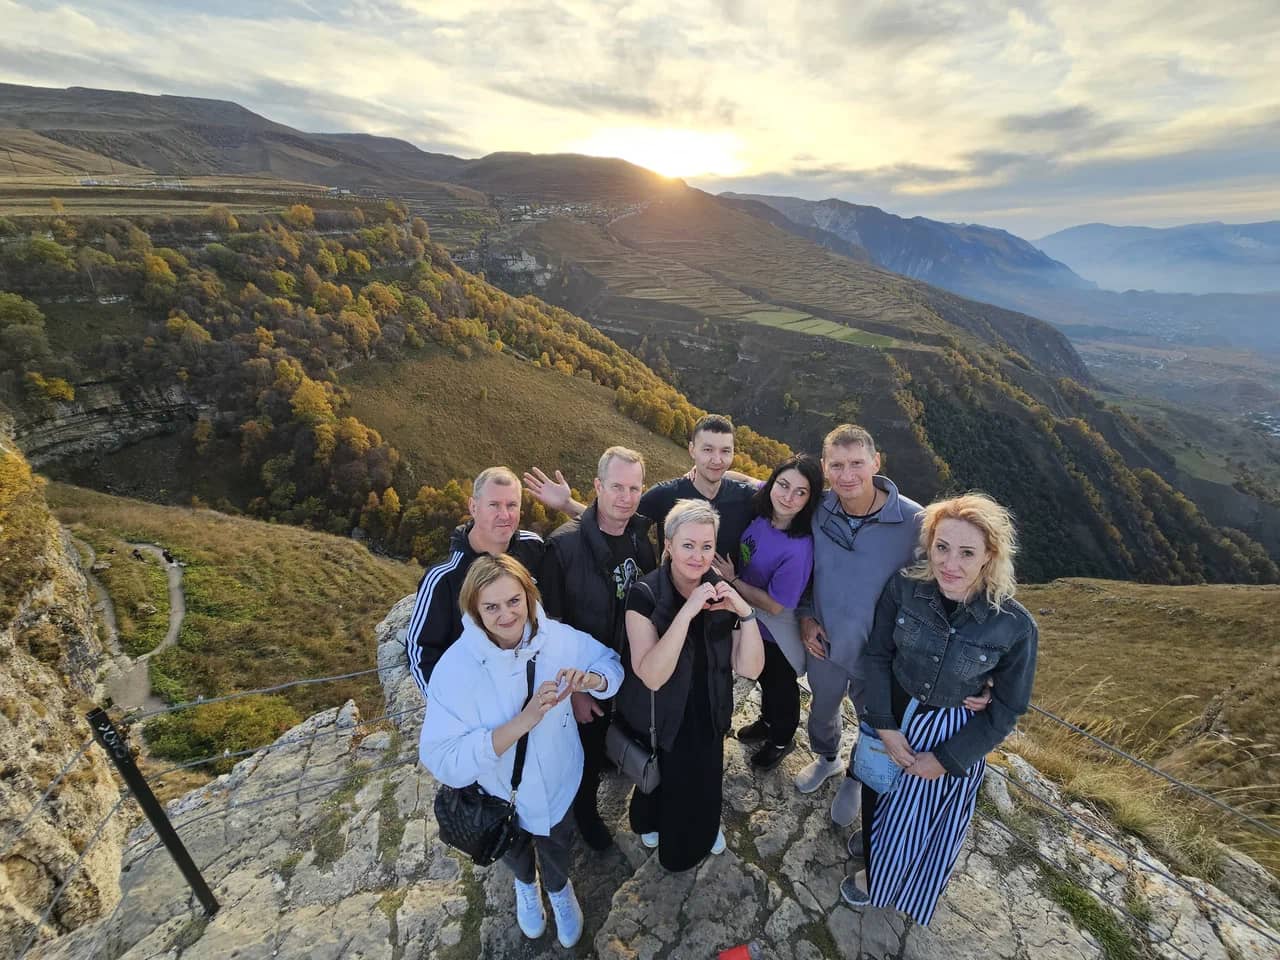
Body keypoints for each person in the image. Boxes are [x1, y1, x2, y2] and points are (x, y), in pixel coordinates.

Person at [841, 493, 1037, 925]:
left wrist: (947, 759)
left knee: (916, 815)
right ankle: (875, 849)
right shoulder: (905, 588)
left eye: (967, 552)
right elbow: (878, 656)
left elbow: (1008, 707)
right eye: (942, 547)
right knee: (877, 788)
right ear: (928, 545)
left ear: (989, 556)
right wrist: (884, 725)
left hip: (949, 731)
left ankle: (881, 877)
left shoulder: (1013, 625)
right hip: (893, 711)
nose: (950, 564)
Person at [419, 554, 624, 948]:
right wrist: (521, 722)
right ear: (475, 610)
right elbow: (443, 758)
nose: (506, 615)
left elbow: (610, 663)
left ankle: (559, 889)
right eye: (491, 607)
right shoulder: (456, 669)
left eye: (514, 601)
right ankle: (526, 885)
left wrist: (591, 681)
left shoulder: (557, 639)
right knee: (514, 851)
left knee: (557, 845)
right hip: (500, 792)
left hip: (559, 781)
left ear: (529, 597)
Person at [615, 499, 765, 871]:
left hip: (708, 705)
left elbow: (749, 668)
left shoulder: (720, 591)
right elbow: (651, 674)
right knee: (661, 773)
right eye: (688, 545)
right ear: (668, 545)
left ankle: (694, 831)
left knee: (700, 778)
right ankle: (660, 828)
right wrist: (687, 611)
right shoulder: (645, 595)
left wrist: (746, 614)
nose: (698, 557)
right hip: (663, 712)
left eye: (706, 546)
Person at [792, 425, 925, 826]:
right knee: (822, 710)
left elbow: (944, 586)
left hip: (881, 656)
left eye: (856, 463)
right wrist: (805, 616)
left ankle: (855, 776)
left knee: (873, 724)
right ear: (824, 467)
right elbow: (804, 569)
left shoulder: (915, 522)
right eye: (837, 465)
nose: (846, 474)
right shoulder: (817, 509)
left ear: (876, 462)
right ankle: (828, 758)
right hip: (826, 642)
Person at [540, 446, 658, 851]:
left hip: (629, 667)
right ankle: (586, 814)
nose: (626, 497)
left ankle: (611, 766)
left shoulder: (641, 540)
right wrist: (574, 692)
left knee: (616, 737)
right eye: (617, 487)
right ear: (597, 486)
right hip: (585, 676)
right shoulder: (563, 547)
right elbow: (550, 629)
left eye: (634, 488)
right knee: (585, 750)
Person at [711, 453, 822, 770]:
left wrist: (733, 580)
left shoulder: (798, 547)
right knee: (762, 677)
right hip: (753, 618)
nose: (788, 497)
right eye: (783, 485)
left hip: (776, 629)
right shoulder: (767, 508)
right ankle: (767, 722)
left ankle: (781, 739)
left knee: (779, 685)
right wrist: (713, 473)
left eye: (800, 492)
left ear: (809, 499)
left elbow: (775, 604)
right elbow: (747, 479)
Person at [523, 414, 757, 560]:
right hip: (673, 606)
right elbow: (616, 519)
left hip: (727, 610)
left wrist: (751, 480)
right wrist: (567, 504)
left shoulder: (746, 496)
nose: (717, 459)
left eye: (725, 451)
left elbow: (778, 494)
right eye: (707, 450)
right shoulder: (666, 495)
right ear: (692, 450)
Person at [405, 466, 545, 696]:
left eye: (512, 505)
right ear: (473, 507)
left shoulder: (534, 548)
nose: (504, 515)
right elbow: (420, 652)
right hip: (477, 700)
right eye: (494, 505)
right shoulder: (444, 578)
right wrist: (451, 706)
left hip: (537, 694)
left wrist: (568, 505)